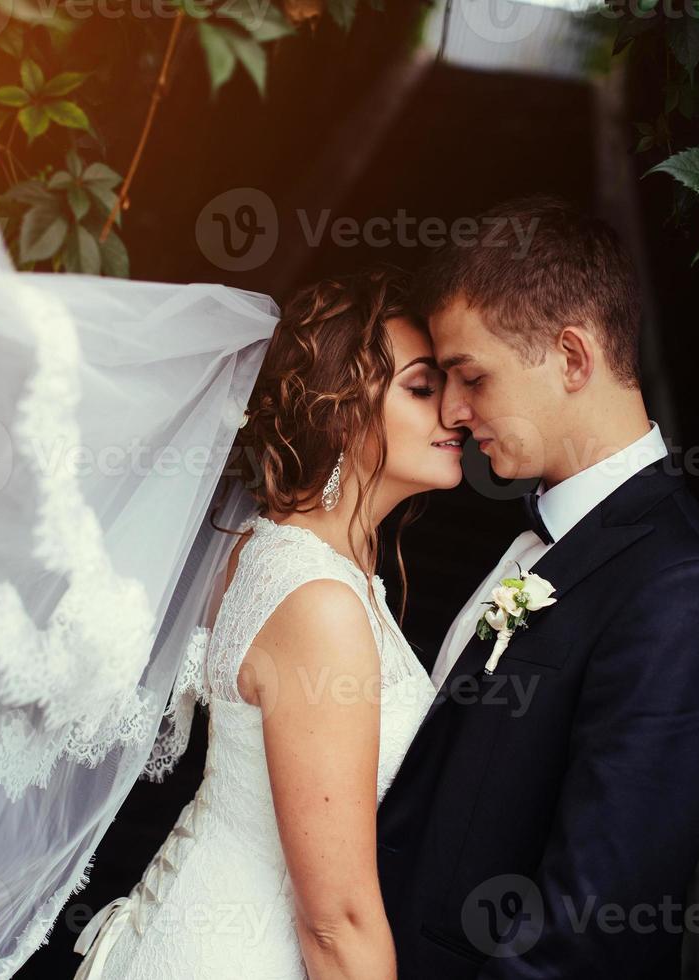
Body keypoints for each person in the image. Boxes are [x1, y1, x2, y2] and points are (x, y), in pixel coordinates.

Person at [376, 196, 699, 979]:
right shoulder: (536, 542)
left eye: (471, 376)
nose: (453, 411)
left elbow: (588, 930)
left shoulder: (686, 591)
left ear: (573, 358)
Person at [74, 268, 462, 980]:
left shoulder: (279, 552)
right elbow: (334, 925)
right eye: (421, 387)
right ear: (345, 411)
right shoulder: (318, 601)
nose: (458, 411)